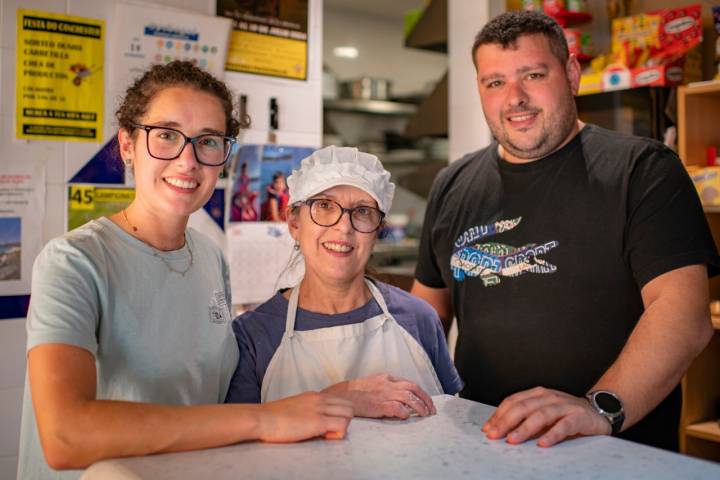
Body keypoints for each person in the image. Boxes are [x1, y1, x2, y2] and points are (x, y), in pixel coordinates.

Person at [18, 61, 352, 480]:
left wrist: (338, 399)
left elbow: (207, 402)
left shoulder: (210, 258)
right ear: (127, 145)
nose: (187, 160)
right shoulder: (74, 262)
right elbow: (66, 436)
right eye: (166, 135)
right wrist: (264, 420)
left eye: (208, 142)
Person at [411, 10, 719, 451]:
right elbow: (427, 317)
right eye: (494, 82)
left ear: (571, 74)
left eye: (533, 74)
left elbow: (684, 316)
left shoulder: (642, 171)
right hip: (483, 444)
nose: (514, 97)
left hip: (614, 452)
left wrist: (597, 408)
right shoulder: (452, 184)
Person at [225, 146, 463, 417]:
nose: (344, 227)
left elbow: (446, 429)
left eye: (362, 211)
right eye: (324, 206)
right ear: (294, 222)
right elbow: (241, 451)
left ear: (377, 232)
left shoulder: (418, 319)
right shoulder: (253, 336)